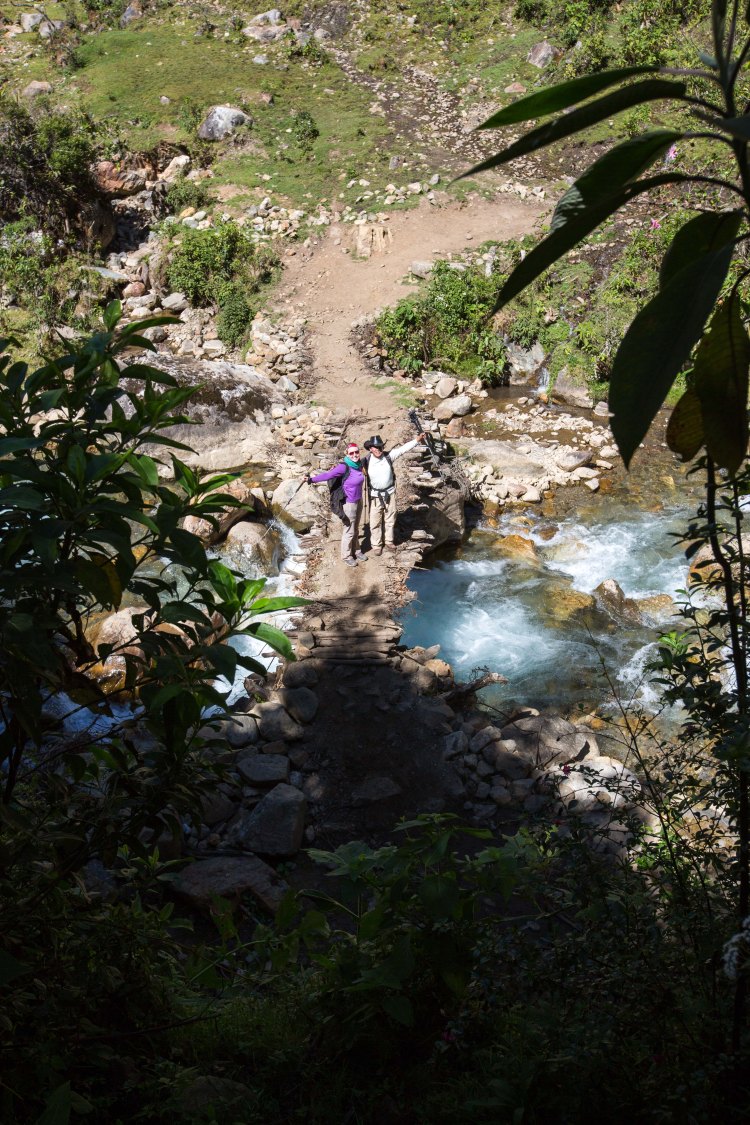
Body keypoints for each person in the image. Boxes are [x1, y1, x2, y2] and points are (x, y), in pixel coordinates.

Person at [363, 431, 426, 555]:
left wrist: (417, 440)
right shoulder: (366, 461)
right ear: (370, 448)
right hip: (375, 496)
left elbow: (403, 449)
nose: (379, 449)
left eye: (381, 447)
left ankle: (389, 541)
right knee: (375, 521)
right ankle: (376, 545)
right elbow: (352, 467)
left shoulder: (388, 456)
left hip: (389, 494)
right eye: (376, 447)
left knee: (390, 519)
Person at [308, 442, 367, 567]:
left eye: (356, 452)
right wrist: (310, 479)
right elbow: (327, 475)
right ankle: (346, 556)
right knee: (349, 530)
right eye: (351, 453)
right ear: (347, 454)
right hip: (348, 503)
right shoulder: (343, 467)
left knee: (355, 529)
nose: (355, 454)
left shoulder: (359, 464)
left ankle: (356, 551)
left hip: (358, 500)